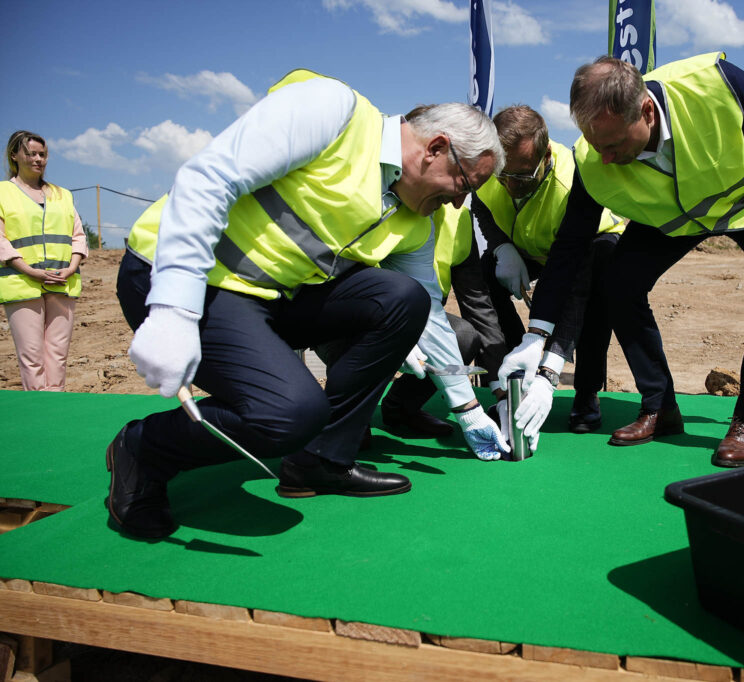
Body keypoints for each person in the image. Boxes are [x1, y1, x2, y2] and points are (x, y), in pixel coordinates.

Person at [108, 69, 507, 539]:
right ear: (436, 148)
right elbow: (208, 178)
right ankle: (144, 447)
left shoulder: (415, 222)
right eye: (464, 184)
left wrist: (467, 408)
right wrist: (174, 308)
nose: (460, 203)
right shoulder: (333, 110)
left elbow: (431, 315)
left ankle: (320, 459)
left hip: (271, 300)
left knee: (404, 298)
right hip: (182, 279)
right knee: (289, 413)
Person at [499, 53, 744, 468]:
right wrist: (537, 334)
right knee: (618, 283)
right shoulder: (592, 157)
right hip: (672, 219)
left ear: (647, 111)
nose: (604, 158)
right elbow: (570, 247)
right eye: (596, 145)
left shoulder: (716, 85)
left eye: (614, 145)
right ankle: (660, 406)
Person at [471, 105, 623, 446]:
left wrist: (549, 371)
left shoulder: (571, 186)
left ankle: (586, 394)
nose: (511, 186)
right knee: (484, 274)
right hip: (529, 243)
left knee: (594, 302)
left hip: (589, 245)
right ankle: (513, 377)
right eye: (503, 175)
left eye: (522, 177)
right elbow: (480, 204)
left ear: (546, 156)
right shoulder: (492, 167)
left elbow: (572, 289)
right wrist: (501, 247)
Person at [363, 200, 507, 439]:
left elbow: (477, 303)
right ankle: (353, 415)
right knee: (354, 441)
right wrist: (389, 327)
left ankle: (401, 407)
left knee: (464, 336)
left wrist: (500, 386)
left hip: (422, 318)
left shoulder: (458, 218)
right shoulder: (379, 205)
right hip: (364, 318)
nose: (459, 199)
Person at [0, 131, 88, 391]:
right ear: (14, 155)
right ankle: (37, 409)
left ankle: (56, 407)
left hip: (62, 282)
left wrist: (72, 267)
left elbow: (78, 235)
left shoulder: (63, 195)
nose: (38, 159)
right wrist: (28, 270)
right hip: (22, 284)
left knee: (58, 356)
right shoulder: (3, 193)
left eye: (42, 154)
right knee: (32, 357)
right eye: (31, 153)